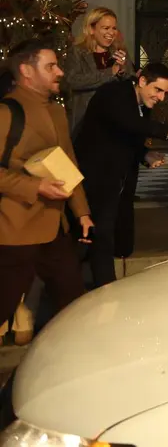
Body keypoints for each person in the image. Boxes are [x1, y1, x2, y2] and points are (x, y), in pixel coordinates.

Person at [74, 63, 168, 287]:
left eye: (165, 93)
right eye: (158, 90)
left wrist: (145, 154)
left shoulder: (141, 102)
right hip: (97, 176)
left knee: (110, 235)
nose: (161, 98)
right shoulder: (113, 94)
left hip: (118, 178)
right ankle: (103, 288)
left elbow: (129, 134)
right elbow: (129, 123)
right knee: (98, 233)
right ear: (142, 81)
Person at [0, 39, 91, 338]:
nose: (60, 72)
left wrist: (82, 213)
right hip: (14, 230)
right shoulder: (7, 112)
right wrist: (36, 185)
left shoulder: (55, 111)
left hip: (55, 227)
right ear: (27, 70)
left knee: (72, 300)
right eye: (50, 66)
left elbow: (67, 163)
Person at [62, 7, 134, 136]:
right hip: (86, 120)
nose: (111, 33)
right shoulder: (77, 52)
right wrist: (110, 72)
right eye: (106, 28)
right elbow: (71, 81)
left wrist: (123, 71)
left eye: (114, 28)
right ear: (91, 29)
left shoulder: (119, 51)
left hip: (114, 120)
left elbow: (131, 83)